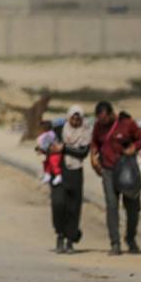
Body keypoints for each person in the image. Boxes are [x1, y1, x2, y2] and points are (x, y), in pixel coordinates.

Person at [90, 100, 141, 255]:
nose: (102, 123)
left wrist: (133, 148)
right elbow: (95, 142)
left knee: (132, 208)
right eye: (99, 120)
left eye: (104, 119)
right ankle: (115, 243)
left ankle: (131, 239)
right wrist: (93, 157)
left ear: (111, 114)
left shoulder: (127, 123)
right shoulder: (98, 126)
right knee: (111, 205)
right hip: (108, 171)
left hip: (128, 170)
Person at [50, 105, 90, 254]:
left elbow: (83, 152)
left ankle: (69, 240)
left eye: (78, 117)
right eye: (73, 117)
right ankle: (59, 234)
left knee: (73, 207)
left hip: (75, 172)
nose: (75, 120)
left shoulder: (86, 131)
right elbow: (49, 144)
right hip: (59, 171)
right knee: (58, 203)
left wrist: (64, 148)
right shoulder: (59, 130)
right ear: (68, 116)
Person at [35, 121, 63, 186]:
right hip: (49, 153)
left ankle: (58, 175)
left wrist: (41, 149)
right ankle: (47, 175)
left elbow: (47, 144)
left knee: (53, 163)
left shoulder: (50, 134)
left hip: (54, 153)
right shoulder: (45, 135)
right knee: (47, 163)